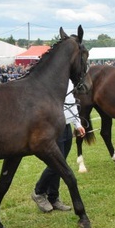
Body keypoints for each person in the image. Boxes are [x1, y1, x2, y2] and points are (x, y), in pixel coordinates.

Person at [31, 80, 86, 212]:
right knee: (57, 164)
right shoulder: (50, 80)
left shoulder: (68, 81)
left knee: (61, 163)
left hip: (66, 126)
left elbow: (72, 102)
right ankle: (38, 192)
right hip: (53, 127)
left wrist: (77, 124)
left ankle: (53, 197)